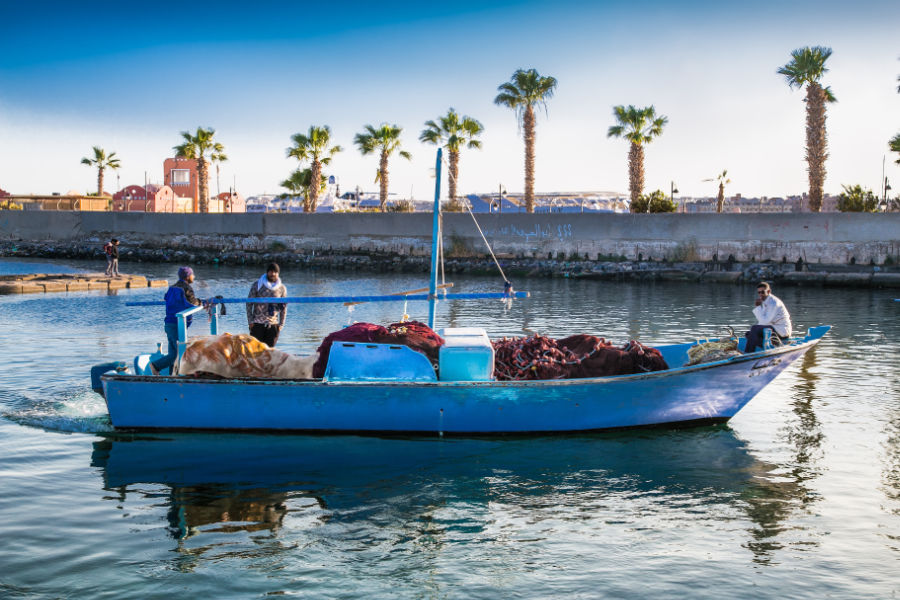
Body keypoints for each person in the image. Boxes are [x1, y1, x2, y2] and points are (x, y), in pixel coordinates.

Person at [150, 266, 202, 375]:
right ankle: (155, 365)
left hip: (169, 323)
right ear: (188, 277)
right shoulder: (186, 288)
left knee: (173, 352)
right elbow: (193, 303)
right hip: (177, 325)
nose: (194, 277)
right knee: (177, 354)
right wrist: (202, 303)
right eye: (192, 275)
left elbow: (166, 298)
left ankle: (171, 375)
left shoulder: (172, 287)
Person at [744, 281, 792, 353]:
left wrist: (758, 307)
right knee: (748, 334)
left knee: (754, 329)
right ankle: (774, 345)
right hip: (773, 328)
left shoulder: (774, 302)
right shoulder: (765, 302)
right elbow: (762, 321)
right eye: (759, 292)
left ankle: (748, 353)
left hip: (782, 330)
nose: (760, 294)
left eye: (762, 292)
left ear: (768, 291)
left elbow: (765, 321)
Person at [247, 263, 287, 347]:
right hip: (257, 324)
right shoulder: (257, 285)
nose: (273, 274)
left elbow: (283, 307)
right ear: (267, 272)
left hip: (273, 325)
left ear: (278, 273)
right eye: (271, 272)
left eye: (275, 272)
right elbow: (249, 303)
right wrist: (250, 321)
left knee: (270, 353)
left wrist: (281, 325)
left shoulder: (282, 288)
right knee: (255, 351)